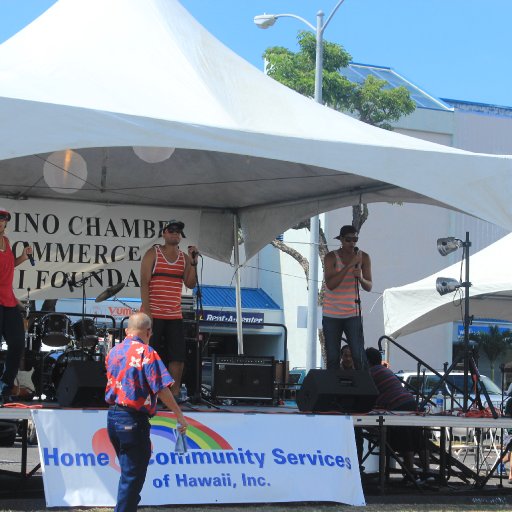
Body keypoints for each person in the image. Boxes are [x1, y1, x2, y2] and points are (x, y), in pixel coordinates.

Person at [105, 312, 189, 512]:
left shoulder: (113, 352)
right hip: (133, 419)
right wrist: (179, 415)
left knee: (129, 474)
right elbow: (161, 387)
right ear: (149, 331)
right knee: (132, 477)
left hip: (113, 417)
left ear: (127, 330)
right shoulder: (147, 353)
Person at [140, 219, 198, 400]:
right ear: (164, 233)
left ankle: (173, 392)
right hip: (154, 313)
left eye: (178, 231)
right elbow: (144, 281)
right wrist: (147, 311)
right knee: (151, 355)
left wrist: (194, 263)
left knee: (178, 356)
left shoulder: (184, 258)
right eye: (171, 230)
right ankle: (149, 391)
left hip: (174, 314)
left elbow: (190, 283)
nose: (175, 233)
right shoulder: (153, 253)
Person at [366, 347, 430, 484]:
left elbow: (370, 397)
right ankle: (427, 472)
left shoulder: (370, 373)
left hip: (398, 407)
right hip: (410, 402)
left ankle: (410, 475)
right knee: (417, 437)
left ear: (367, 361)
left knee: (405, 439)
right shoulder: (386, 370)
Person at [323, 225, 372, 370]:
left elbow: (369, 286)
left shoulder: (364, 257)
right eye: (348, 240)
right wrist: (349, 265)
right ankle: (332, 390)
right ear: (341, 240)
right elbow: (331, 284)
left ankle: (362, 390)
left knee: (358, 355)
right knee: (332, 356)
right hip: (331, 314)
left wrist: (361, 278)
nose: (352, 243)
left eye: (355, 239)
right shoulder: (331, 257)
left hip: (353, 313)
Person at [0, 207, 33, 400]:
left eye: (3, 220)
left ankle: (5, 388)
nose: (0, 222)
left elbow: (9, 265)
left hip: (8, 300)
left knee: (17, 343)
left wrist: (23, 257)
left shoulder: (6, 241)